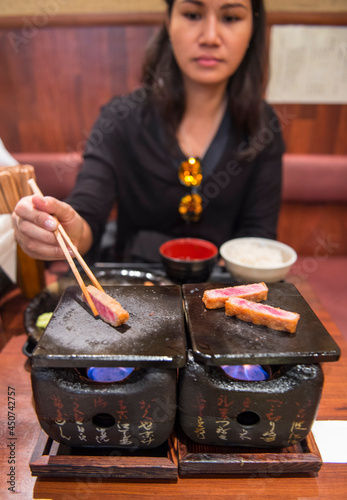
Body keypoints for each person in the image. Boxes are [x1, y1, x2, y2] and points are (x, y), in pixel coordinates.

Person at [12, 0, 284, 264]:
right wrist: (66, 232)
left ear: (252, 28)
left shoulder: (262, 124)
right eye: (192, 14)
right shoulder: (121, 117)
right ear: (169, 21)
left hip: (221, 292)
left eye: (231, 18)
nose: (210, 37)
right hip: (135, 287)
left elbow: (258, 235)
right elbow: (88, 214)